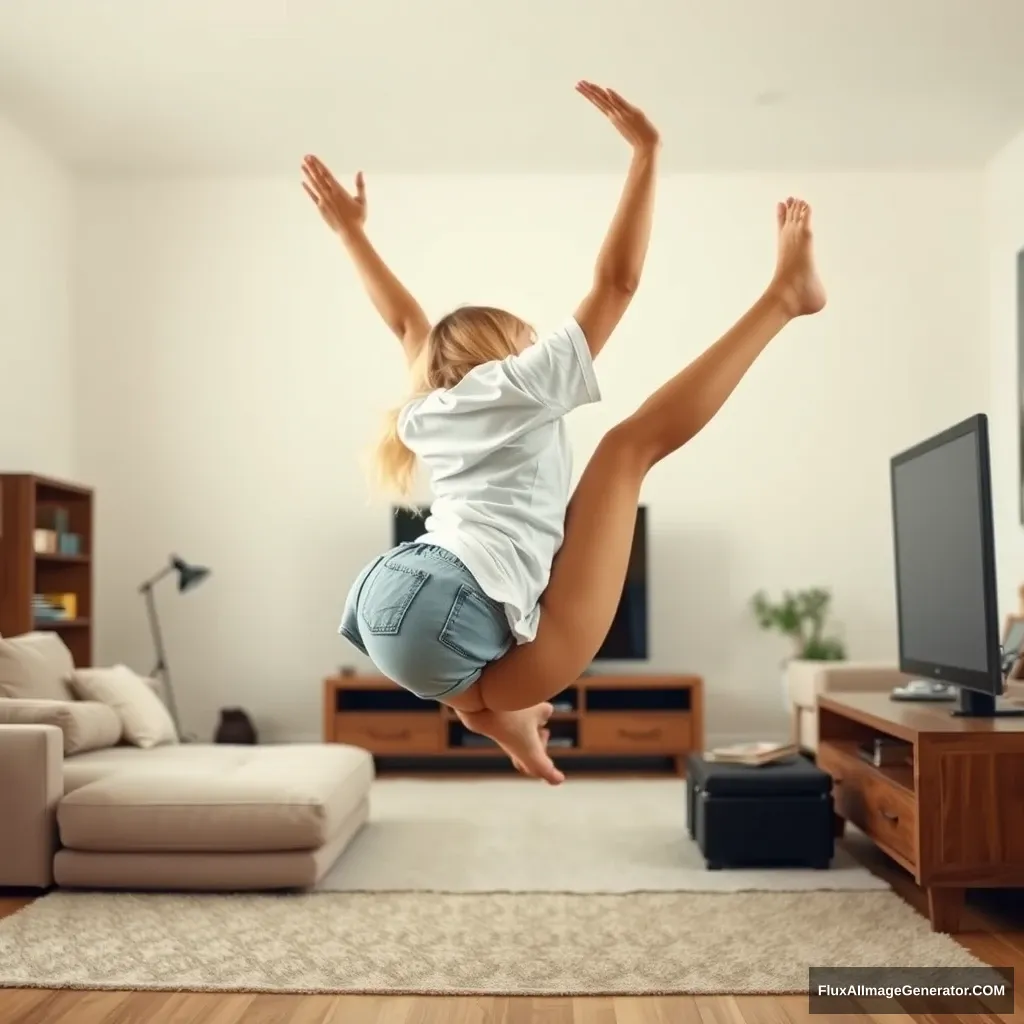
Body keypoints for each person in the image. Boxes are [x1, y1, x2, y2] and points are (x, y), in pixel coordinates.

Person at [302, 82, 826, 786]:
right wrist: (645, 152)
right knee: (627, 447)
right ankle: (781, 300)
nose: (534, 348)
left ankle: (512, 726)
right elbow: (617, 282)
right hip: (449, 597)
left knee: (483, 692)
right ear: (506, 352)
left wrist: (349, 232)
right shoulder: (521, 384)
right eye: (524, 340)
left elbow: (406, 325)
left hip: (386, 601)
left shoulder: (428, 408)